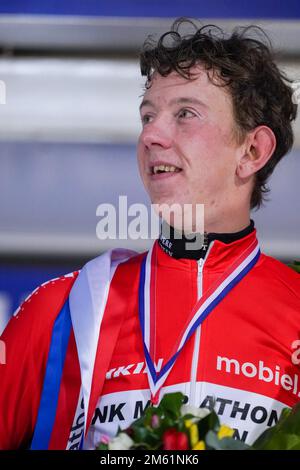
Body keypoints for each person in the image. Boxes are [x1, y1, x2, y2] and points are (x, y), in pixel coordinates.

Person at [0, 18, 299, 450]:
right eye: (147, 116)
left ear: (252, 151)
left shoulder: (296, 314)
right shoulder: (61, 309)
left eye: (185, 114)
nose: (151, 135)